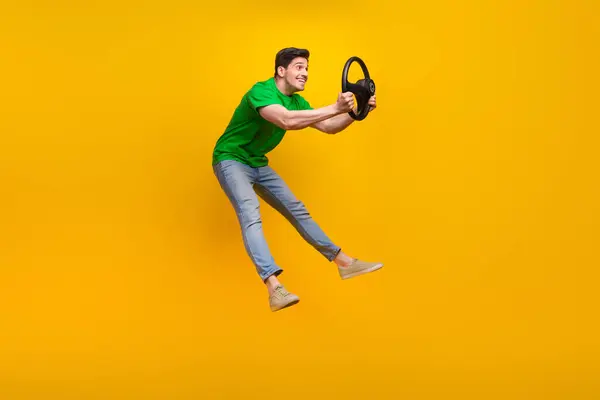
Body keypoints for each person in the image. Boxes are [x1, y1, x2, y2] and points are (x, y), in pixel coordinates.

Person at [212, 47, 383, 312]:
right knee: (250, 213)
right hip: (230, 159)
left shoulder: (296, 101)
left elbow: (328, 126)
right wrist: (334, 107)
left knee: (297, 210)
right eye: (299, 67)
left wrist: (356, 112)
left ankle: (345, 264)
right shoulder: (262, 91)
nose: (305, 74)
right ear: (282, 71)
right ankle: (274, 288)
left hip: (256, 162)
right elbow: (286, 120)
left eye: (306, 69)